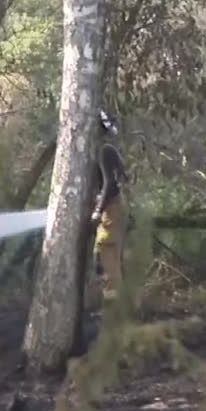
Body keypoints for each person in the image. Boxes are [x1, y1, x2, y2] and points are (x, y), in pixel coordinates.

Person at [86, 109, 131, 311]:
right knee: (101, 257)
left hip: (111, 210)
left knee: (107, 256)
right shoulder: (106, 150)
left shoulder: (104, 150)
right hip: (112, 210)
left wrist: (97, 210)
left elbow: (110, 183)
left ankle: (115, 313)